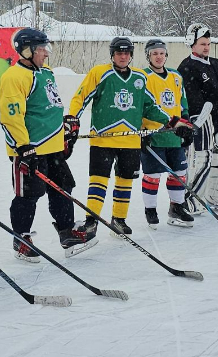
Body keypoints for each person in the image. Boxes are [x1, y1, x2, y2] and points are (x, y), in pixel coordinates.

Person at [67, 36, 191, 236]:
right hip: (103, 138)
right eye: (119, 53)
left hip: (131, 139)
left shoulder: (139, 78)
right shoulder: (100, 73)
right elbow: (81, 97)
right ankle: (92, 220)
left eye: (126, 53)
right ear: (112, 55)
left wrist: (173, 121)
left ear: (131, 55)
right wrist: (72, 118)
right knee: (98, 181)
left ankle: (119, 220)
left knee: (124, 181)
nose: (123, 56)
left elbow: (150, 107)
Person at [0, 28, 96, 260]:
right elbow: (10, 116)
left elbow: (49, 107)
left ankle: (67, 232)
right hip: (30, 149)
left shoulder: (46, 72)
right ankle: (21, 239)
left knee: (63, 188)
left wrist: (64, 133)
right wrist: (22, 147)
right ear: (27, 50)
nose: (46, 53)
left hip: (53, 148)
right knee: (28, 196)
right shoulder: (14, 77)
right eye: (41, 48)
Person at [177, 23, 218, 212]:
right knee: (202, 160)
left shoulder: (216, 64)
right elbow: (193, 101)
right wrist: (197, 123)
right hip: (201, 123)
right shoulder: (187, 67)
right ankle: (191, 198)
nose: (206, 47)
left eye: (208, 43)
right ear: (192, 44)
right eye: (202, 43)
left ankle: (215, 193)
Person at [140, 39, 194, 229]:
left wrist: (186, 126)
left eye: (162, 53)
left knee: (179, 172)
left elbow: (182, 103)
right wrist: (141, 131)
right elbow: (141, 106)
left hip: (174, 134)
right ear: (148, 56)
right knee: (153, 174)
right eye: (154, 53)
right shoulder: (142, 76)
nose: (159, 56)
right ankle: (151, 210)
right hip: (153, 135)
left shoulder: (176, 76)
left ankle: (176, 208)